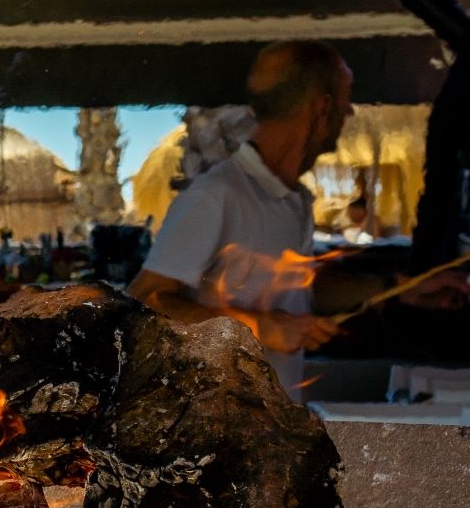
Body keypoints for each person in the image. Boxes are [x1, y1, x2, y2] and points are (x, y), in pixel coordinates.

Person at [131, 41, 354, 397]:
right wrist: (260, 327)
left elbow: (299, 291)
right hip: (218, 424)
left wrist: (398, 286)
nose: (349, 112)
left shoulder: (294, 199)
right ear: (322, 108)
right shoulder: (216, 194)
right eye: (345, 101)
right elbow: (144, 301)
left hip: (276, 419)